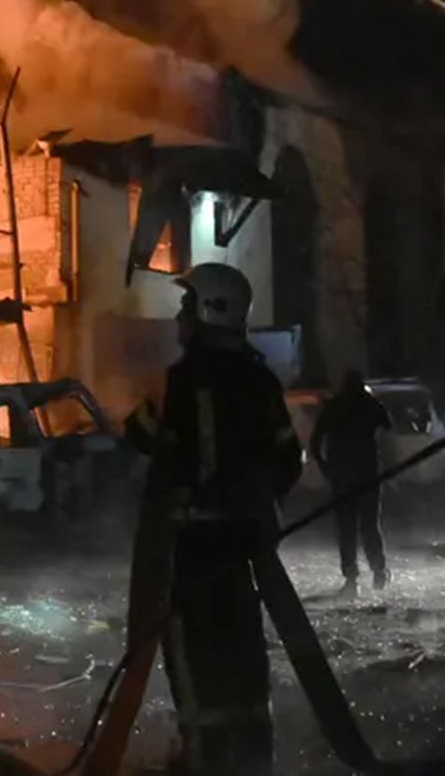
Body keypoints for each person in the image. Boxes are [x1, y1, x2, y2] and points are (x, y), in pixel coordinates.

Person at [122, 262, 302, 775]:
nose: (179, 315)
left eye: (186, 304)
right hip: (242, 554)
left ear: (208, 310)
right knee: (244, 671)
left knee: (197, 678)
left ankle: (203, 765)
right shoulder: (261, 381)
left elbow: (143, 436)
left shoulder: (180, 382)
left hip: (190, 557)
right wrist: (251, 503)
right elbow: (289, 461)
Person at [310, 369, 391, 598]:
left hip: (343, 476)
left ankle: (353, 578)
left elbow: (316, 443)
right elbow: (388, 427)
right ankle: (378, 572)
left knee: (348, 528)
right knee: (368, 526)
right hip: (366, 474)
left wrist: (326, 468)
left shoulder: (334, 406)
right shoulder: (370, 405)